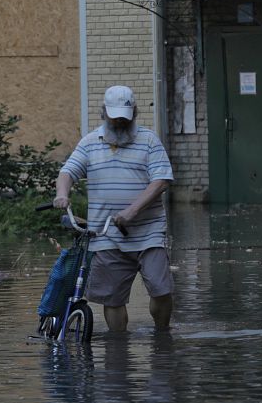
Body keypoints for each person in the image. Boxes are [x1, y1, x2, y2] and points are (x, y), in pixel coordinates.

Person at [53, 85, 174, 331]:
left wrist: (132, 211)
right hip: (106, 234)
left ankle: (163, 334)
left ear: (135, 113)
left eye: (124, 118)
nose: (119, 122)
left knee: (161, 290)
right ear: (104, 113)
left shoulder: (149, 140)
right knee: (112, 298)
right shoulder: (89, 143)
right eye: (114, 117)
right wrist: (62, 194)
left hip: (148, 232)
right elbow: (67, 171)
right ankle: (118, 346)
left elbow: (161, 180)